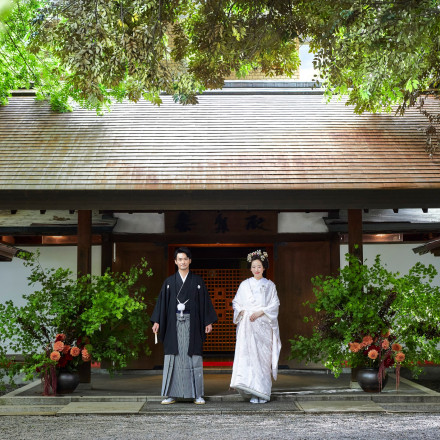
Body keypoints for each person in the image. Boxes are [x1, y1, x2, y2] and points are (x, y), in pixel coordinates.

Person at [151, 246, 217, 405]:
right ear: (175, 261)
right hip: (173, 324)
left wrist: (208, 321)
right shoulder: (169, 282)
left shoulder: (197, 281)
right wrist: (157, 321)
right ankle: (171, 394)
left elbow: (204, 302)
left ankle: (197, 394)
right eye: (179, 259)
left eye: (185, 259)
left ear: (190, 261)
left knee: (192, 357)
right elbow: (162, 304)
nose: (183, 262)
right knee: (174, 357)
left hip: (192, 323)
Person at [230, 249, 281, 404]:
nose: (256, 269)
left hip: (264, 326)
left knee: (263, 360)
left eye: (259, 266)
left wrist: (260, 312)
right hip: (248, 326)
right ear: (250, 268)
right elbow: (236, 303)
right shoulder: (244, 285)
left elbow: (275, 304)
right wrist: (244, 311)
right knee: (250, 359)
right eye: (254, 267)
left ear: (264, 267)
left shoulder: (270, 285)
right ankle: (253, 391)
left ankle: (263, 392)